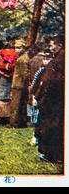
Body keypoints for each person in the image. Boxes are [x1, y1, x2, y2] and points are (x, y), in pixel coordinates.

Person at [34, 35, 64, 164]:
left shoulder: (62, 58)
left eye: (53, 45)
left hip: (55, 100)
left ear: (60, 45)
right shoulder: (57, 58)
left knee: (53, 128)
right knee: (50, 127)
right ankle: (50, 154)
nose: (51, 48)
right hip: (50, 99)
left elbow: (55, 80)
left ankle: (54, 156)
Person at [9, 39, 33, 128]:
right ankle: (22, 122)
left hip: (19, 85)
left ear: (23, 48)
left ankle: (15, 123)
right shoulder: (23, 57)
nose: (17, 50)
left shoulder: (22, 59)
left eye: (19, 48)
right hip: (21, 85)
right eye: (16, 48)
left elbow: (25, 74)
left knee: (16, 105)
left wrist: (26, 84)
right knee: (22, 105)